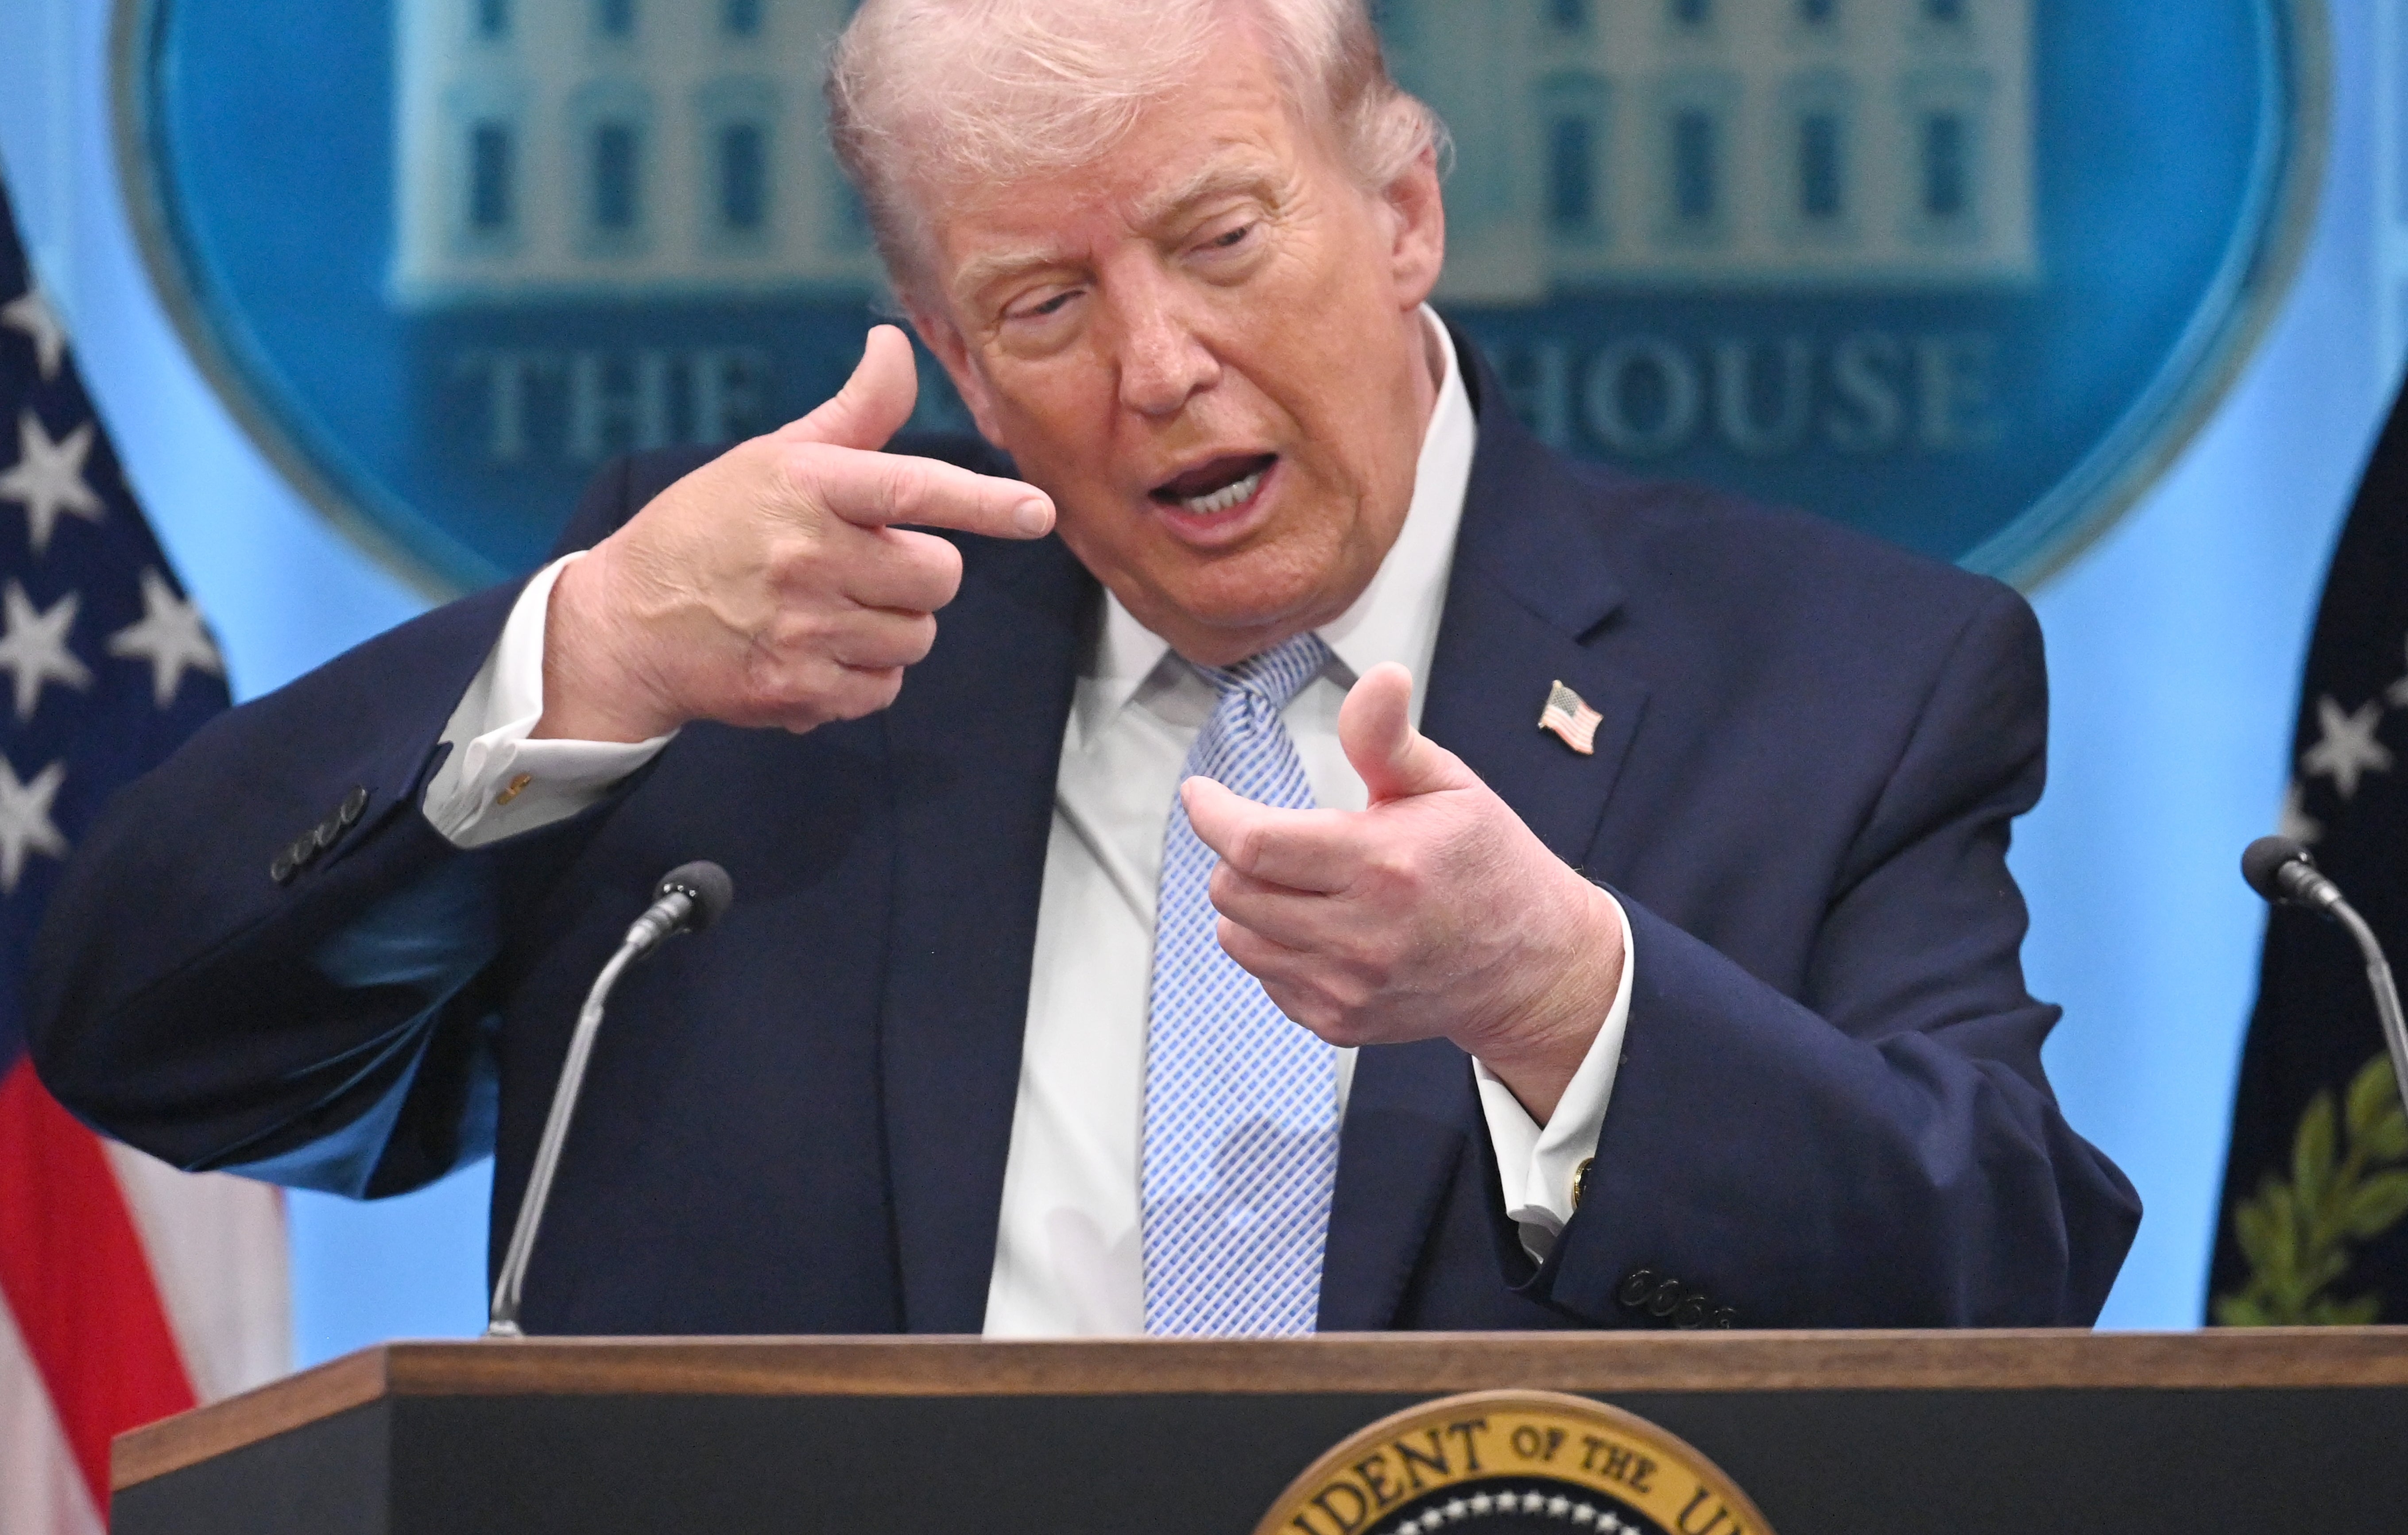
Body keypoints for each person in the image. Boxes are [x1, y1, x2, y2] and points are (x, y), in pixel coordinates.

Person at [29, 0, 2137, 1334]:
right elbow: (151, 1043)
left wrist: (1562, 1003)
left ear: (1403, 210)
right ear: (952, 355)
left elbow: (2004, 1284)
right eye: (1042, 306)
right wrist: (582, 650)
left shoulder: (1844, 682)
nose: (1157, 366)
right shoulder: (757, 652)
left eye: (1222, 241)